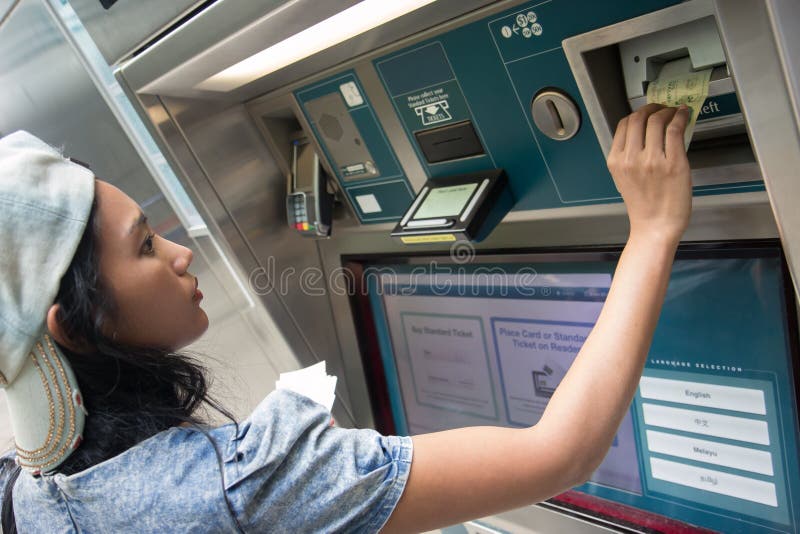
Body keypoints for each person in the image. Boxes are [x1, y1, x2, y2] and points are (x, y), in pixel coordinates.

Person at [0, 102, 691, 533]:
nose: (181, 256)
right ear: (76, 325)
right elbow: (562, 454)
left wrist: (295, 442)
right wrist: (653, 230)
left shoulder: (29, 493)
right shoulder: (243, 485)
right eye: (146, 247)